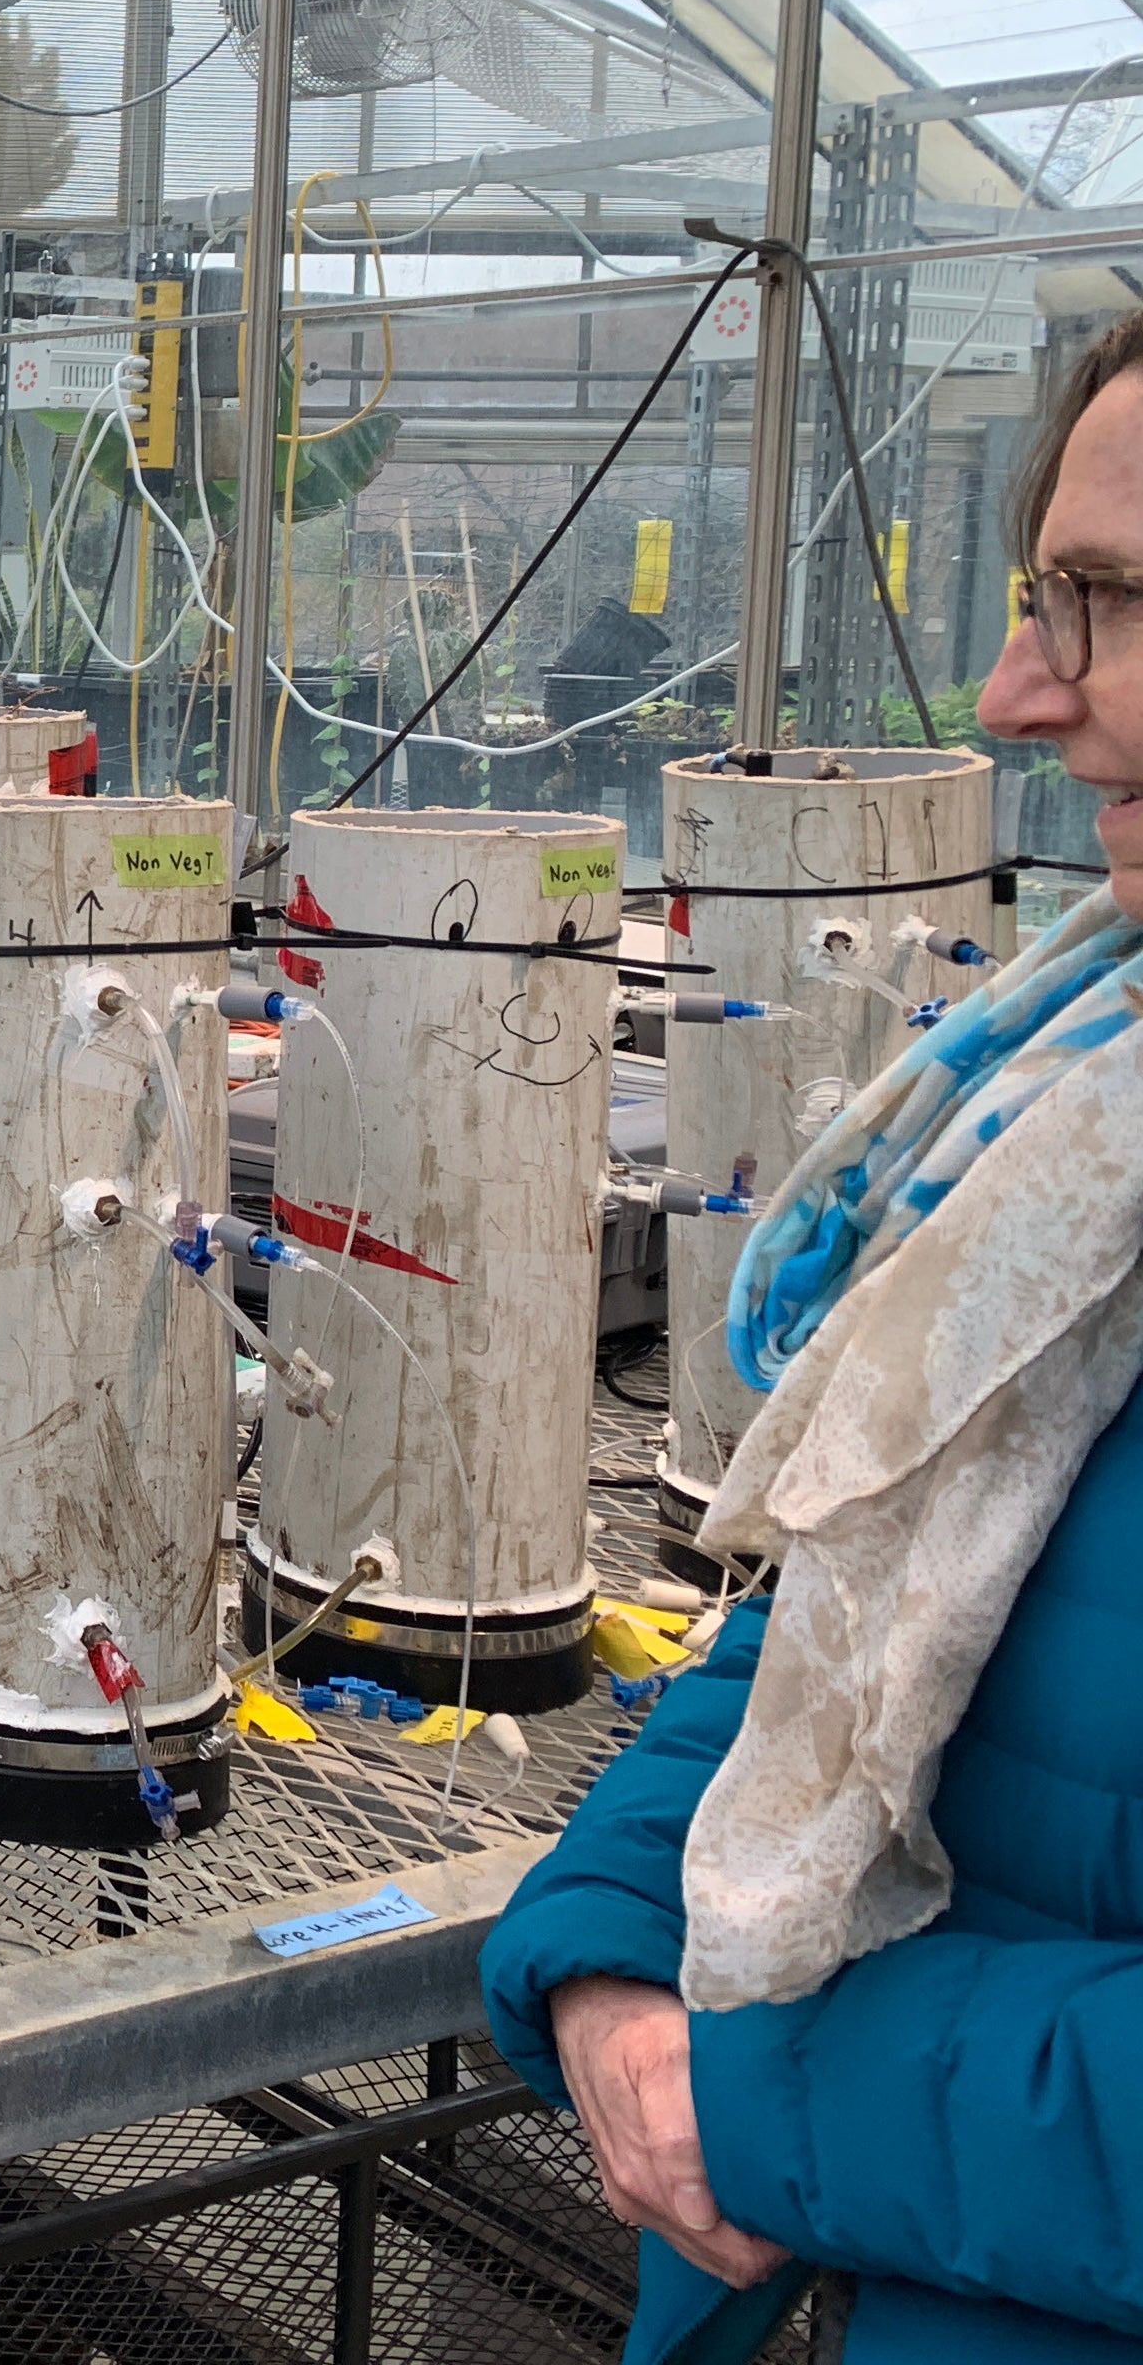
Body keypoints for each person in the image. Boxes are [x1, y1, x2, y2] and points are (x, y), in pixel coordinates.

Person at [478, 307, 1143, 2364]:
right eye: (1043, 596)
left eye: (1104, 604)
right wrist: (601, 1957)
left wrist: (755, 2087)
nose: (1025, 691)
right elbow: (825, 1615)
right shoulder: (1075, 1115)